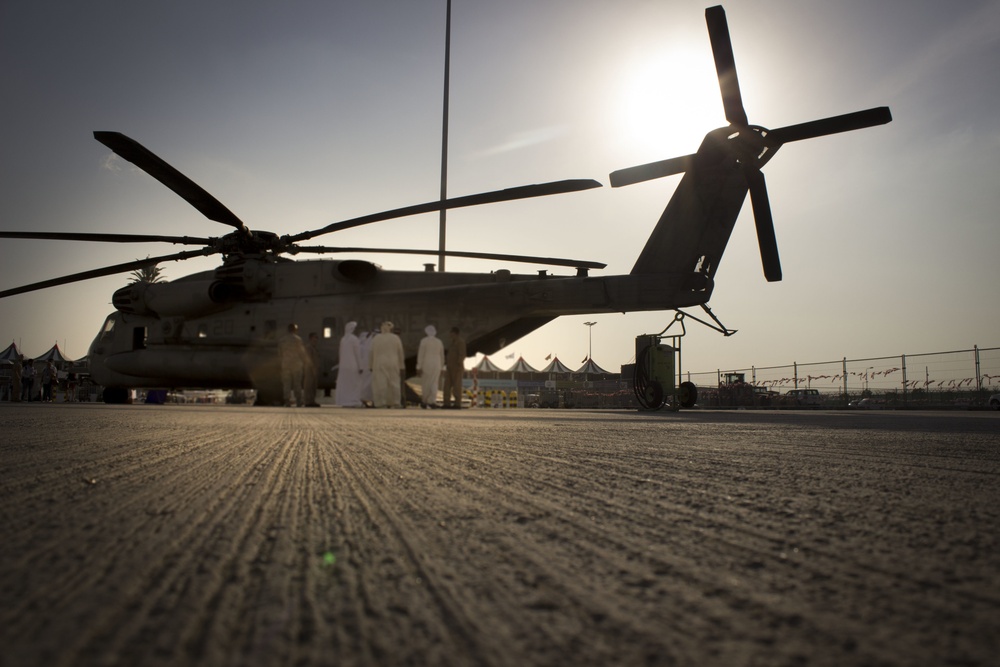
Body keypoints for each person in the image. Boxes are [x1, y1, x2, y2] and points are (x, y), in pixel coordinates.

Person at [369, 321, 404, 408]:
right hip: (393, 363)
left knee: (381, 383)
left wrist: (370, 365)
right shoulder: (396, 338)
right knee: (394, 383)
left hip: (379, 363)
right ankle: (396, 403)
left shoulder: (376, 338)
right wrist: (402, 366)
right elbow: (400, 353)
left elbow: (371, 353)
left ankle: (381, 403)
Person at [277, 323, 309, 407]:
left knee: (286, 384)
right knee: (297, 384)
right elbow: (302, 352)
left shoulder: (282, 340)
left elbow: (279, 353)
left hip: (286, 364)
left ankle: (287, 401)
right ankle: (299, 401)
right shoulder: (298, 339)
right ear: (295, 330)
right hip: (296, 365)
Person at [335, 322, 365, 407]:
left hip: (343, 366)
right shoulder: (354, 339)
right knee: (354, 383)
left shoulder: (343, 339)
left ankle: (345, 400)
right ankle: (353, 400)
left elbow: (340, 354)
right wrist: (361, 366)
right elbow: (357, 354)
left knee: (345, 384)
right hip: (353, 365)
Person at [416, 324, 445, 409]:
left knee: (426, 383)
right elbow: (442, 356)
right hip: (437, 364)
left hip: (426, 363)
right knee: (434, 383)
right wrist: (442, 367)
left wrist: (418, 367)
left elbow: (421, 355)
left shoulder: (424, 341)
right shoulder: (439, 341)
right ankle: (432, 401)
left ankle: (424, 401)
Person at [442, 327, 467, 409]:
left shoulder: (460, 342)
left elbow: (462, 354)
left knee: (457, 386)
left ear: (456, 334)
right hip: (449, 367)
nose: (451, 335)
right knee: (447, 386)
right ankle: (446, 403)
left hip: (457, 367)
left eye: (452, 334)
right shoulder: (452, 343)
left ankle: (457, 404)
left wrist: (459, 364)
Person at [358, 329, 375, 407]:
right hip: (368, 368)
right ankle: (364, 400)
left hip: (365, 368)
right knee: (367, 385)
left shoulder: (364, 345)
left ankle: (364, 400)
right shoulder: (366, 346)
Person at [303, 332, 321, 407]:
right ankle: (307, 401)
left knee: (313, 386)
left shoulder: (314, 348)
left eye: (317, 338)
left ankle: (312, 401)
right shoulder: (308, 347)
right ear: (310, 338)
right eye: (315, 337)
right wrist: (312, 368)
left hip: (314, 369)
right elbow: (308, 359)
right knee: (308, 386)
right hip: (309, 369)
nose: (316, 339)